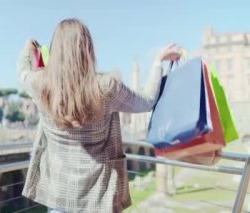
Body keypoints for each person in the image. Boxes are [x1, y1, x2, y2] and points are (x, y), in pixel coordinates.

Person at [17, 18, 182, 213]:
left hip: (59, 195)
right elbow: (146, 102)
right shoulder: (105, 87)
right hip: (99, 196)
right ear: (87, 48)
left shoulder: (39, 84)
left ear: (55, 50)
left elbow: (23, 71)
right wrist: (157, 62)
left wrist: (28, 50)